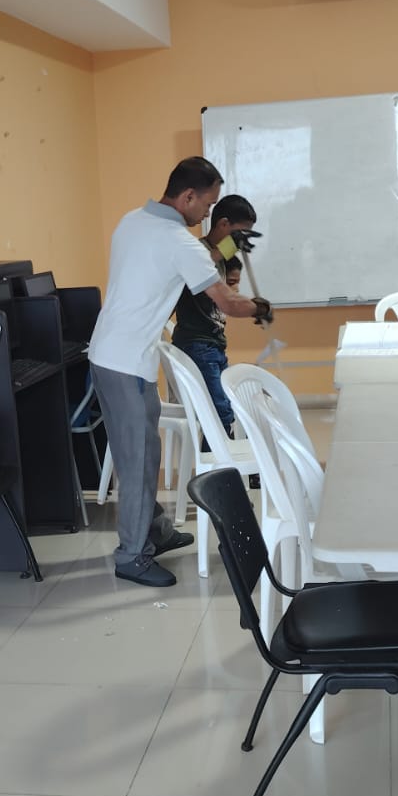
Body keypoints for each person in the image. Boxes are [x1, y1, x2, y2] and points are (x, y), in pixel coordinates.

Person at [89, 159, 271, 588]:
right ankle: (132, 557)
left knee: (143, 455)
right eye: (206, 205)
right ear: (188, 196)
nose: (207, 214)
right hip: (126, 361)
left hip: (108, 353)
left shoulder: (132, 221)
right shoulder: (179, 242)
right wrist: (262, 307)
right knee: (138, 462)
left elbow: (200, 261)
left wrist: (228, 253)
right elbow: (227, 302)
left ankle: (155, 530)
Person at [172, 194, 257, 437]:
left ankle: (216, 455)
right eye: (239, 233)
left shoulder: (219, 258)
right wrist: (229, 247)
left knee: (224, 407)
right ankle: (218, 459)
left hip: (213, 344)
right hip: (197, 344)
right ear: (223, 224)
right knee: (220, 414)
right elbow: (201, 263)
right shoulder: (199, 251)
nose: (242, 239)